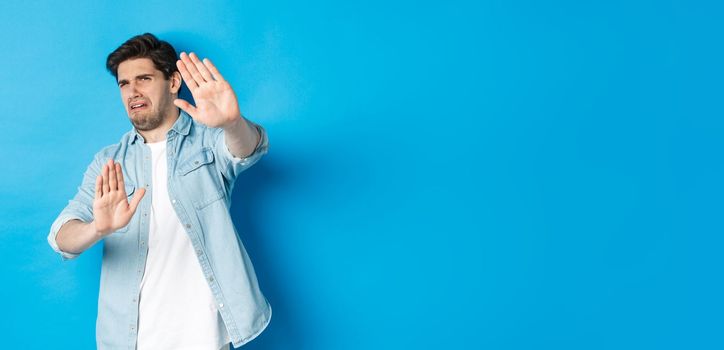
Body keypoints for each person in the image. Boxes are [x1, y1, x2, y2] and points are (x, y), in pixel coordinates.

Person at [47, 33, 272, 350]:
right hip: (131, 339)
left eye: (143, 78)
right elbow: (61, 237)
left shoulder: (207, 139)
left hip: (206, 336)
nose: (132, 91)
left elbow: (249, 149)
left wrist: (232, 123)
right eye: (124, 84)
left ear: (173, 82)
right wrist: (97, 228)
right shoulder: (109, 163)